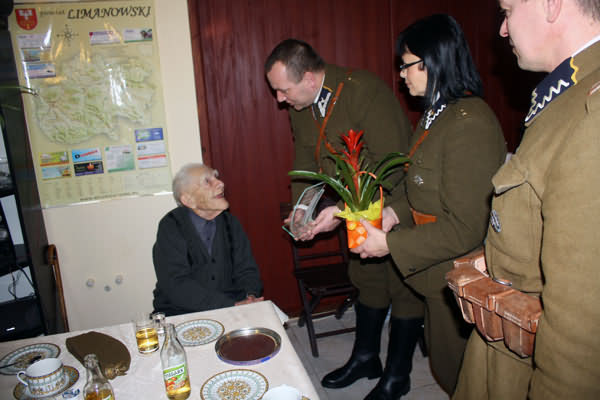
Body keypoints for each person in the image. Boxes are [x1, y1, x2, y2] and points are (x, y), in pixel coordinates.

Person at [352, 14, 507, 397]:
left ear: (434, 61)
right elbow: (420, 189)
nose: (401, 75)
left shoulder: (469, 123)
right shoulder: (435, 115)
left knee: (460, 374)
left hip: (457, 273)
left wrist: (390, 245)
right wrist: (393, 213)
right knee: (443, 365)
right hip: (435, 268)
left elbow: (466, 227)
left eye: (407, 65)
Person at [452, 1, 600, 399]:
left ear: (550, 5)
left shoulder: (593, 111)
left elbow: (581, 330)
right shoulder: (567, 92)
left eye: (508, 10)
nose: (502, 30)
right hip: (505, 333)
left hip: (532, 361)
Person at [265, 39, 426, 398]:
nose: (279, 99)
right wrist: (302, 208)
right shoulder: (301, 104)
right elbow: (305, 158)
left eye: (283, 90)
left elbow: (393, 163)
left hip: (396, 204)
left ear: (309, 78)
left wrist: (341, 210)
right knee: (367, 279)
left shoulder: (363, 92)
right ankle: (366, 358)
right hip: (354, 208)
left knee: (403, 288)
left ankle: (398, 375)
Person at [152, 163, 263, 316]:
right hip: (181, 311)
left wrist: (250, 296)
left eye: (216, 177)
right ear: (188, 200)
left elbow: (247, 269)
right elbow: (176, 284)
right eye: (207, 181)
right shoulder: (171, 226)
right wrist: (230, 305)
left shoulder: (231, 223)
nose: (221, 183)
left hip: (233, 304)